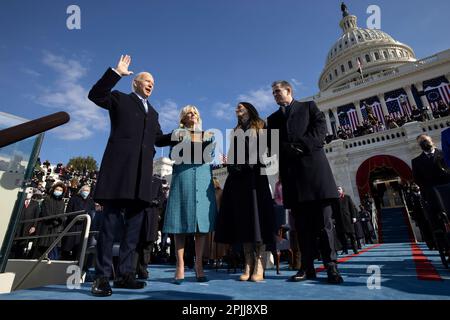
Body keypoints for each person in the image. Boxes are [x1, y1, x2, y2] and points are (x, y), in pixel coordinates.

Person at [88, 55, 169, 296]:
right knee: (110, 228)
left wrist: (180, 134)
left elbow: (158, 138)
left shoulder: (153, 112)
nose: (151, 84)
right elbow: (95, 95)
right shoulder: (119, 99)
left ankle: (125, 274)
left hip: (141, 180)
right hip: (119, 174)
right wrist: (115, 73)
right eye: (147, 80)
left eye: (153, 82)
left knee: (133, 232)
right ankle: (101, 277)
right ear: (135, 82)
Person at [267, 80, 343, 284]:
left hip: (316, 175)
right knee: (301, 228)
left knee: (325, 225)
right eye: (273, 93)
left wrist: (301, 146)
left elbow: (320, 130)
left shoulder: (309, 107)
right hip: (293, 178)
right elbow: (271, 145)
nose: (275, 95)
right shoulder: (272, 119)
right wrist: (287, 149)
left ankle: (331, 267)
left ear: (289, 90)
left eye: (277, 91)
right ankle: (306, 268)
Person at [215, 102, 276, 282]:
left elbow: (269, 150)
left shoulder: (261, 125)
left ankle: (259, 263)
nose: (237, 108)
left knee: (258, 219)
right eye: (236, 107)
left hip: (256, 177)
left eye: (240, 106)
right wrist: (233, 166)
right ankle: (247, 262)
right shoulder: (235, 130)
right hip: (238, 180)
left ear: (249, 109)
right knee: (244, 221)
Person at [162, 105, 217, 284]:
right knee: (180, 224)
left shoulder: (209, 135)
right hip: (183, 177)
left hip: (202, 178)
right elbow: (175, 156)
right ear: (183, 119)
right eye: (188, 113)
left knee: (201, 227)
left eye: (195, 113)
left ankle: (199, 265)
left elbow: (210, 156)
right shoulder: (177, 134)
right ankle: (180, 265)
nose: (192, 115)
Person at [134, 175, 164, 280]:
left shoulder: (157, 181)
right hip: (138, 214)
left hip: (152, 216)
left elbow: (161, 197)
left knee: (148, 244)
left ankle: (143, 269)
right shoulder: (138, 178)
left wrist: (157, 202)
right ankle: (133, 269)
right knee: (136, 243)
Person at [61, 185, 95, 261]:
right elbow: (68, 212)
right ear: (81, 190)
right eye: (84, 190)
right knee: (67, 247)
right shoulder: (73, 199)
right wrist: (78, 218)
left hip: (84, 227)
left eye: (87, 190)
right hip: (73, 225)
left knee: (79, 249)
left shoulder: (91, 201)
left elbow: (92, 213)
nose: (85, 192)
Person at [35, 181, 67, 260]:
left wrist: (58, 220)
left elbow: (62, 214)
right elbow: (45, 213)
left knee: (52, 247)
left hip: (55, 228)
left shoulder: (62, 202)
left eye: (60, 190)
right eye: (57, 189)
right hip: (45, 226)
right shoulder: (47, 199)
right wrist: (55, 219)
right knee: (41, 248)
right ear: (53, 190)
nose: (58, 191)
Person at [11, 188, 40, 258]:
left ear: (32, 194)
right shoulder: (18, 202)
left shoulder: (35, 203)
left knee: (23, 244)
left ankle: (20, 258)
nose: (28, 194)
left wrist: (34, 226)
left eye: (30, 192)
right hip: (17, 227)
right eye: (27, 192)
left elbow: (36, 216)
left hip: (28, 227)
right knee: (14, 244)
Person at [334, 187, 359, 255]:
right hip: (340, 221)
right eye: (337, 189)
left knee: (352, 236)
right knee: (342, 236)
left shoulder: (347, 197)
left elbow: (352, 208)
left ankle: (355, 249)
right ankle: (345, 249)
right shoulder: (335, 199)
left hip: (348, 220)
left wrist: (354, 217)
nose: (338, 190)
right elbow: (334, 210)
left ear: (342, 190)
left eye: (339, 189)